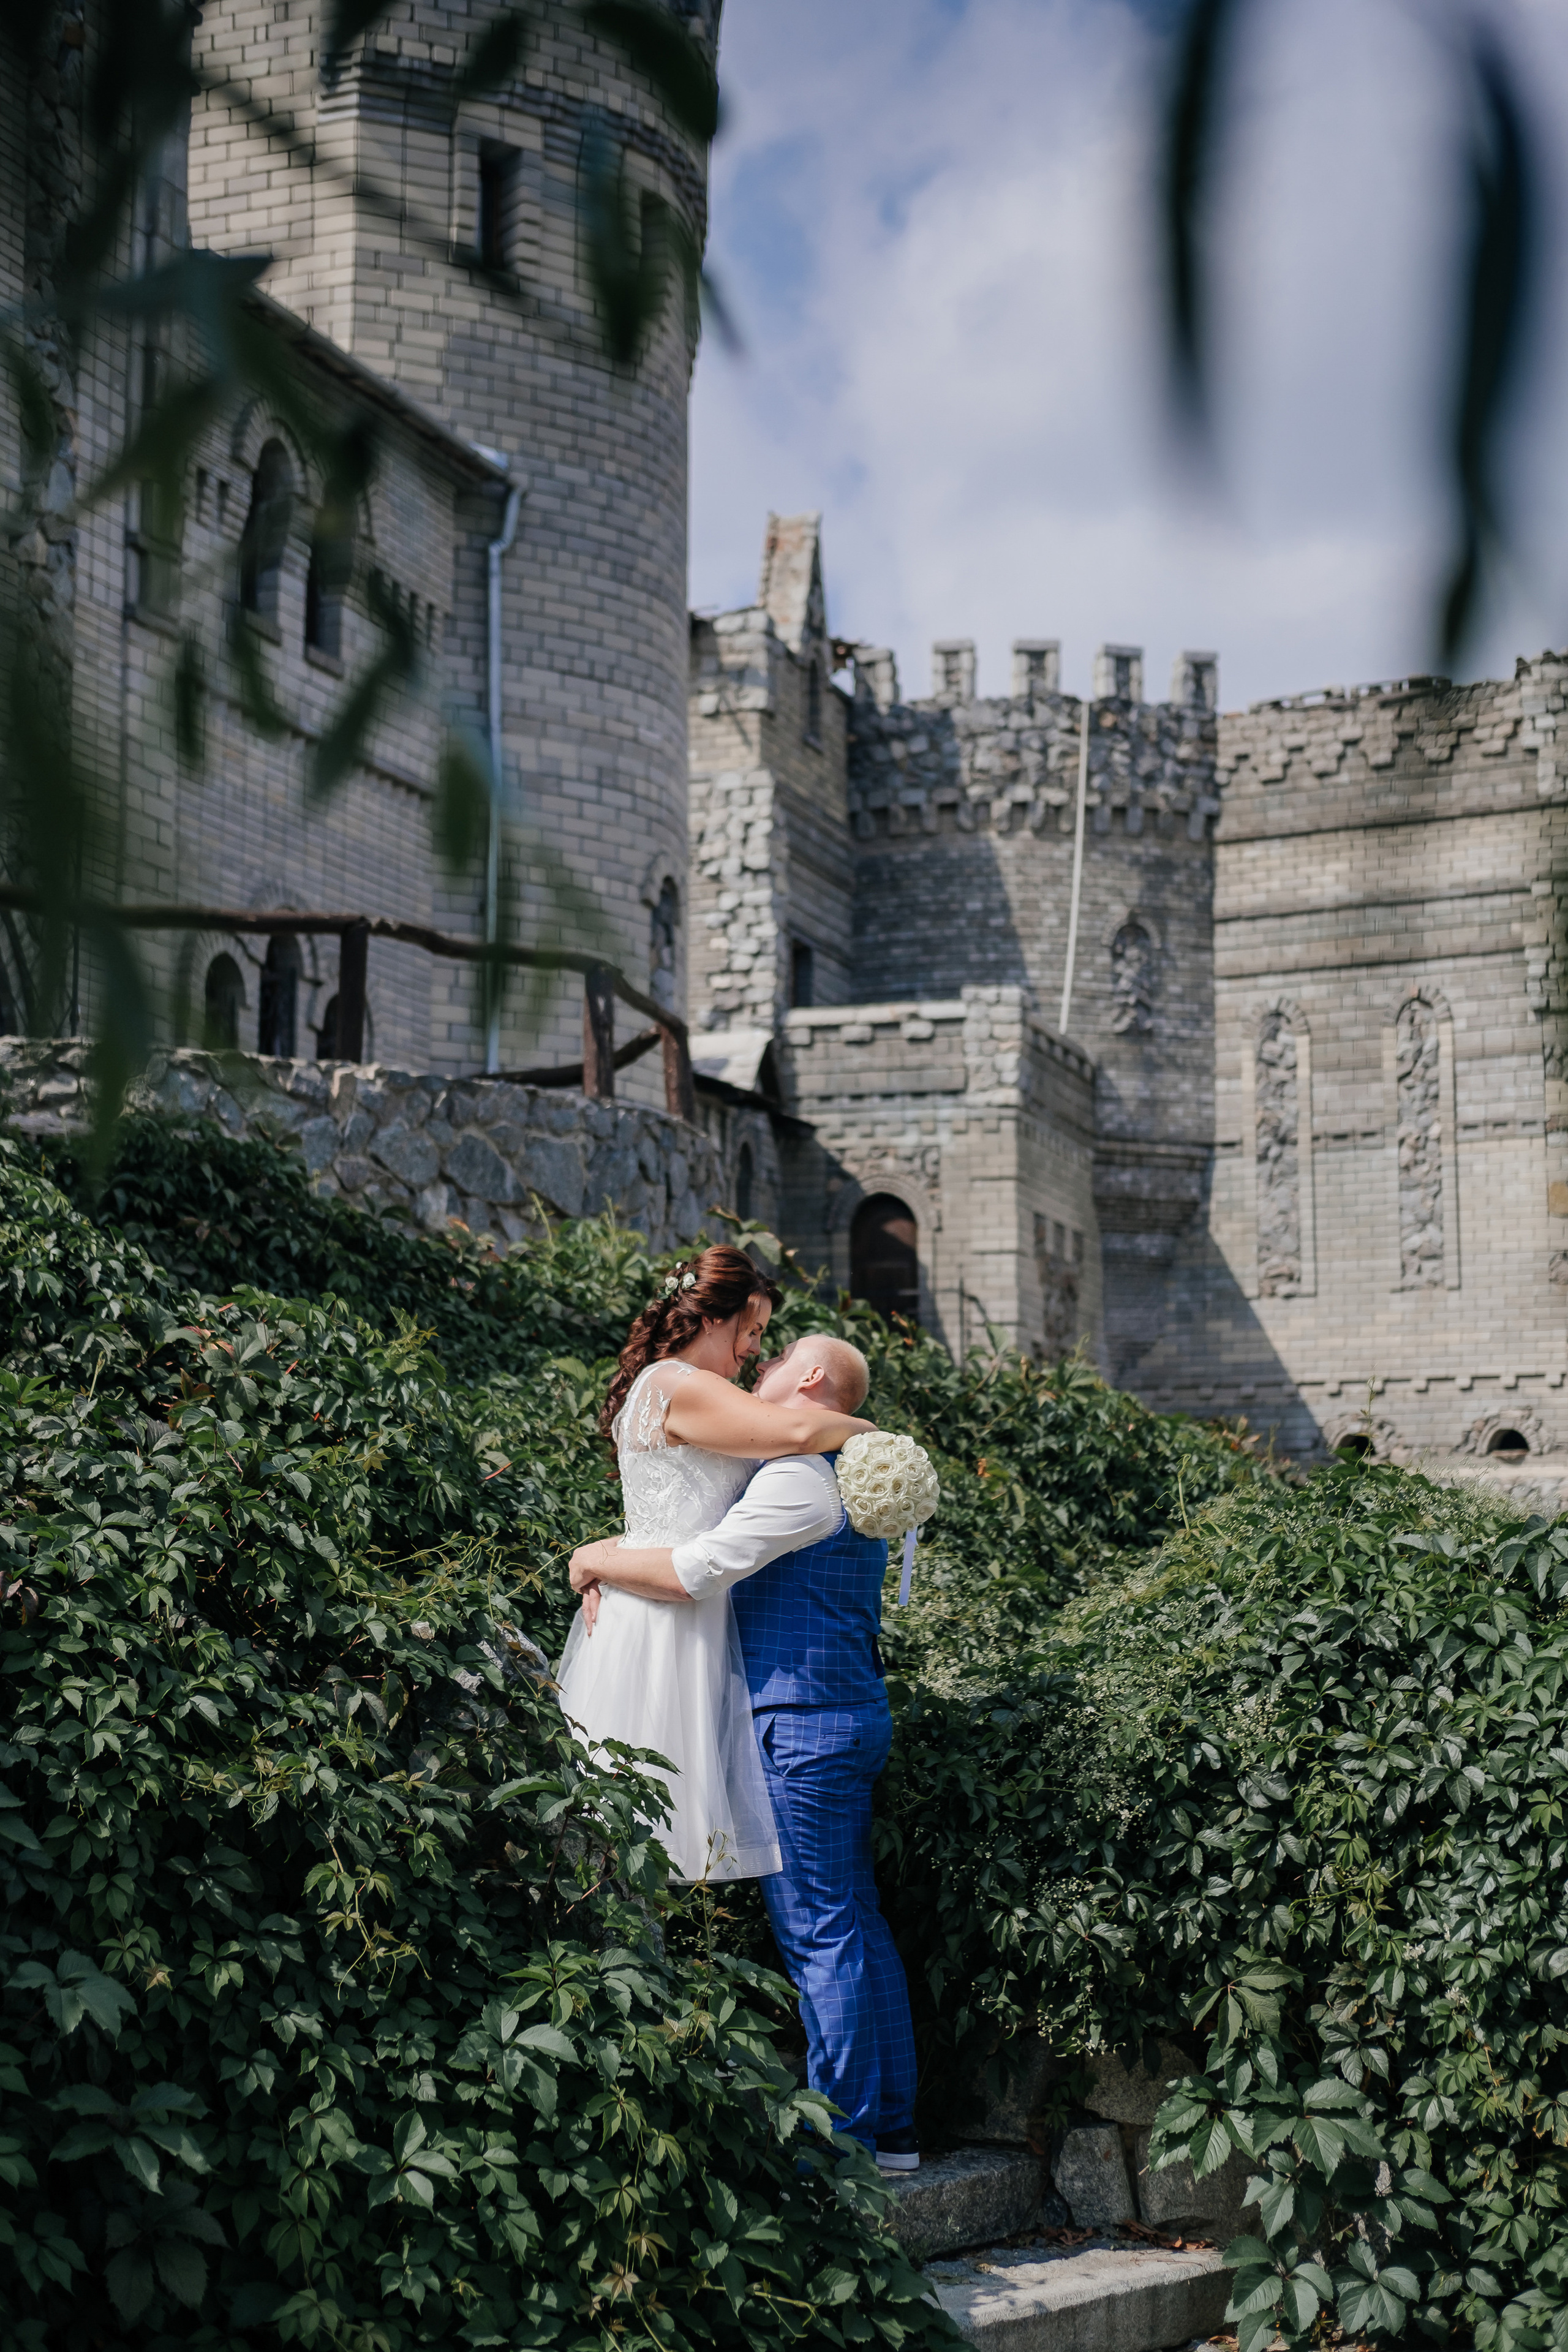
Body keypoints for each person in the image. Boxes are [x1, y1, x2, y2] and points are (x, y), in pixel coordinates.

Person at [569, 1332, 921, 2176]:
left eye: (776, 1358)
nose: (758, 1370)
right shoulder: (847, 1470)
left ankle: (849, 2140)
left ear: (810, 1376)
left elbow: (700, 1569)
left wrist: (600, 1556)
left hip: (802, 1725)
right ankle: (892, 2128)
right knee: (853, 1920)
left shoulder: (801, 1475)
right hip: (843, 1710)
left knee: (818, 1932)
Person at [556, 1248, 874, 1885]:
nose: (756, 1349)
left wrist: (601, 1555)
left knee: (644, 1841)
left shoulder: (682, 1386)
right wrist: (872, 1430)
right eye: (752, 1330)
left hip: (679, 1601)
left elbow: (671, 1517)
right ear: (712, 1319)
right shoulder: (683, 1385)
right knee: (633, 1836)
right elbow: (801, 1433)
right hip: (665, 1616)